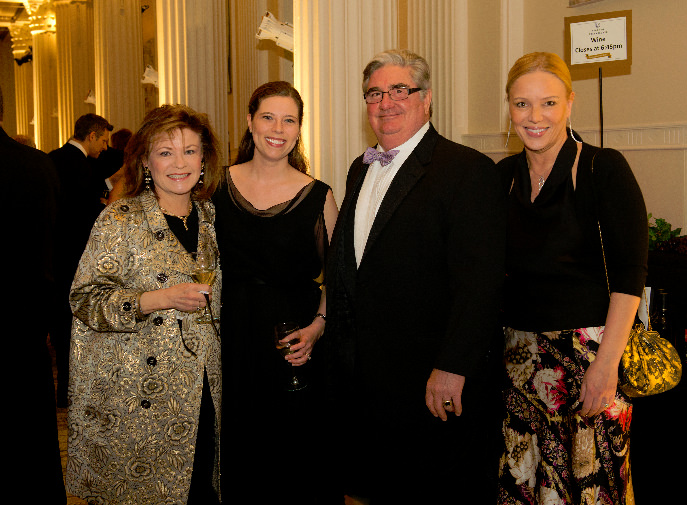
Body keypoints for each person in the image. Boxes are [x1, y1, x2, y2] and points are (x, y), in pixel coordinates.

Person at [325, 49, 506, 503]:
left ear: (426, 99)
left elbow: (480, 283)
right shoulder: (358, 169)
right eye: (374, 93)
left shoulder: (466, 170)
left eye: (399, 90)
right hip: (369, 381)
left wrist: (452, 365)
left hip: (431, 381)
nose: (385, 103)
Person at [496, 52, 648, 505]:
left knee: (589, 490)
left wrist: (605, 367)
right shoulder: (501, 178)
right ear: (508, 107)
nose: (535, 116)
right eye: (522, 104)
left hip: (590, 357)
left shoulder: (605, 168)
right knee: (524, 488)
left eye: (548, 103)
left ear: (570, 103)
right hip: (518, 361)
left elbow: (629, 275)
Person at [65, 104, 224, 505]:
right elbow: (84, 299)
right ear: (145, 160)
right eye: (166, 152)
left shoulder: (209, 215)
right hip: (138, 397)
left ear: (204, 159)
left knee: (200, 487)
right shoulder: (120, 219)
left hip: (203, 387)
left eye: (190, 151)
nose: (179, 163)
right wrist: (157, 299)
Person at [212, 80, 339, 504]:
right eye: (268, 116)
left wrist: (318, 327)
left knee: (295, 454)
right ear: (250, 122)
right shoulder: (214, 187)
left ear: (299, 129)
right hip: (230, 336)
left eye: (289, 120)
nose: (277, 128)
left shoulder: (319, 195)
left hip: (294, 338)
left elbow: (341, 277)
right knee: (239, 447)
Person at [2, 88, 67, 504]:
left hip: (23, 326)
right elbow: (53, 250)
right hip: (22, 330)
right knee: (30, 454)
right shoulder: (36, 165)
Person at [49, 113, 114, 408]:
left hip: (54, 256)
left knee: (60, 325)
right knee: (76, 324)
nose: (104, 146)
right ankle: (74, 389)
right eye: (102, 139)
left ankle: (63, 388)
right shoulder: (83, 167)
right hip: (77, 256)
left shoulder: (51, 159)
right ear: (90, 135)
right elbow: (88, 217)